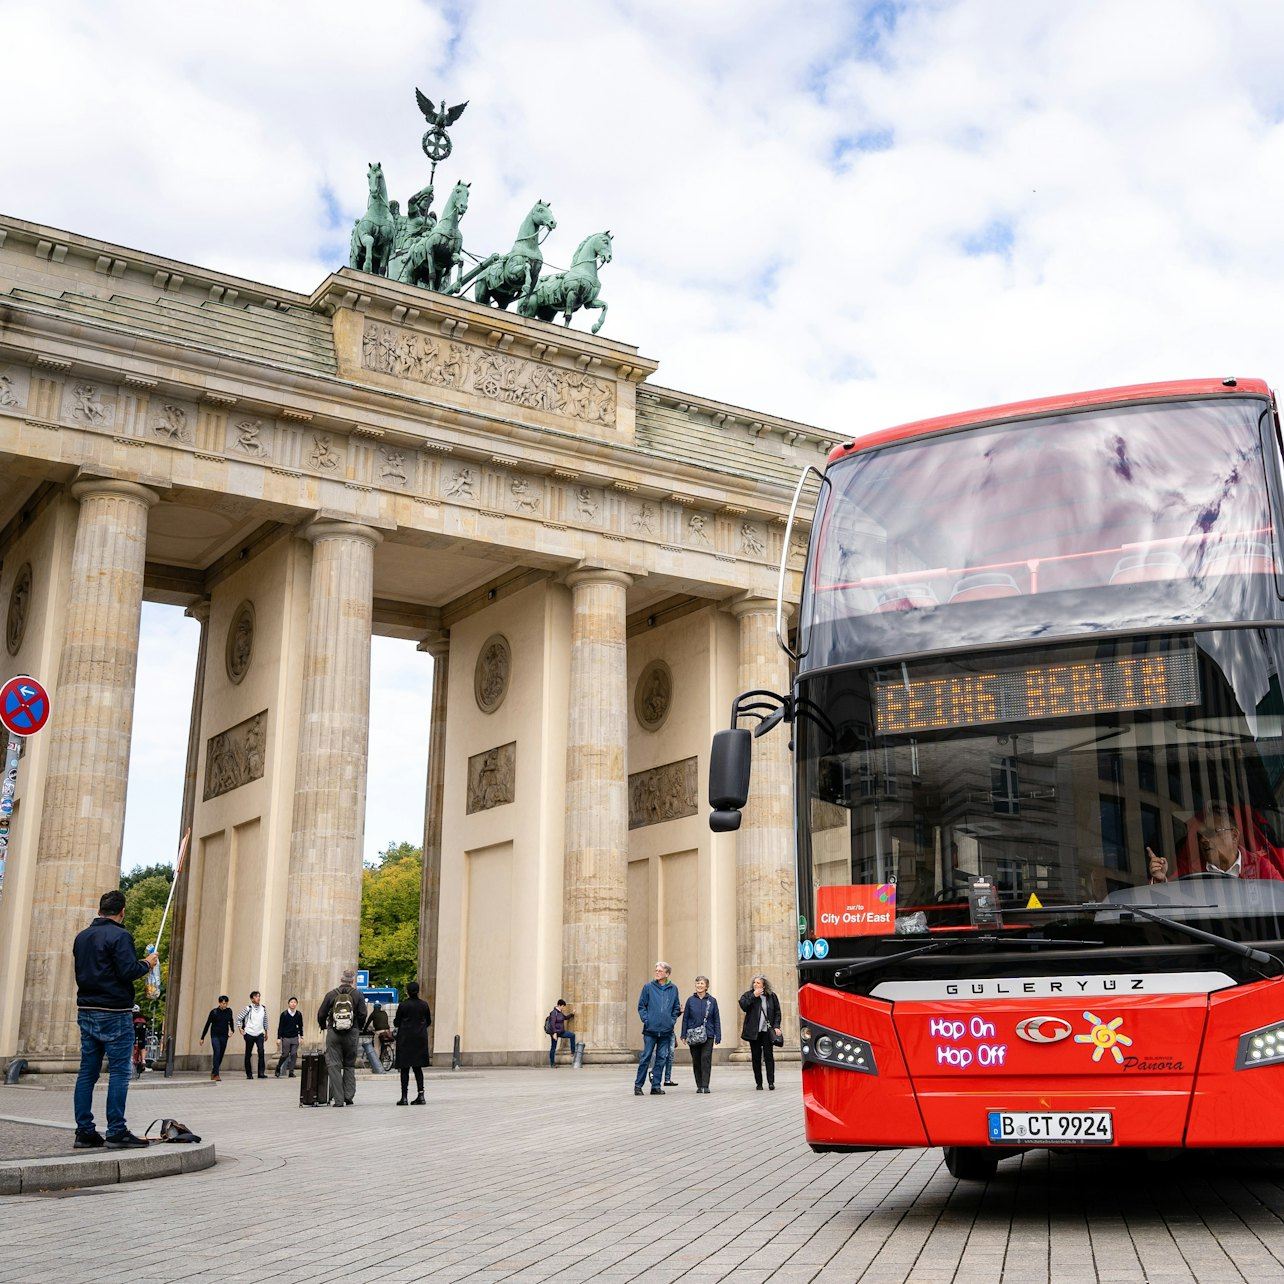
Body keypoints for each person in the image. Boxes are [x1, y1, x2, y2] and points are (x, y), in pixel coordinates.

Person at [71, 889, 158, 1149]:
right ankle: (116, 1130)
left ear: (100, 910)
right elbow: (127, 971)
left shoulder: (82, 937)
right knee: (120, 1072)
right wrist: (147, 963)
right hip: (114, 1013)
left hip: (87, 1009)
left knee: (87, 1072)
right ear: (122, 912)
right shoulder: (121, 936)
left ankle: (84, 1131)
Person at [1149, 802, 1284, 882]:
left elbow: (1279, 898)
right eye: (1201, 835)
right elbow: (1173, 899)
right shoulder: (1189, 869)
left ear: (1234, 835)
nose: (1204, 840)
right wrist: (1161, 880)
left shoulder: (1260, 867)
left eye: (1213, 833)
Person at [317, 968, 368, 1107]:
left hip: (334, 1033)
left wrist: (323, 1025)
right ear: (352, 981)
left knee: (334, 1065)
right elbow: (363, 1014)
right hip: (352, 1033)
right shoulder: (358, 995)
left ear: (341, 979)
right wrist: (358, 1027)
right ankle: (348, 1096)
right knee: (349, 1065)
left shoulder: (331, 994)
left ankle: (338, 1100)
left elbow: (321, 1013)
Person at [634, 961, 681, 1096]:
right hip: (650, 1030)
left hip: (666, 1030)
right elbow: (641, 1006)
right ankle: (638, 1085)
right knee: (646, 1057)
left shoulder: (673, 988)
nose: (657, 973)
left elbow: (676, 1007)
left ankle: (656, 1086)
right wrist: (646, 1020)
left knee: (661, 1058)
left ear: (667, 974)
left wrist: (671, 1021)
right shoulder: (648, 987)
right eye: (656, 970)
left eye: (659, 971)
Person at [740, 974, 782, 1091]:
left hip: (767, 1032)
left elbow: (777, 1012)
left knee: (769, 1057)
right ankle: (759, 1083)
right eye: (754, 982)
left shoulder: (771, 996)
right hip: (754, 1032)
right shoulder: (748, 995)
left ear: (764, 985)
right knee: (756, 1058)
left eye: (758, 983)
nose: (755, 984)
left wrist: (777, 1026)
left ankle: (771, 1082)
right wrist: (753, 996)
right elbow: (743, 1006)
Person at [681, 975, 722, 1094]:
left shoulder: (712, 1001)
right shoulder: (690, 1000)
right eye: (697, 983)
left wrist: (718, 1035)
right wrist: (683, 1034)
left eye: (702, 983)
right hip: (693, 1035)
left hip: (708, 1034)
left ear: (706, 986)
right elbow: (685, 1018)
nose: (699, 985)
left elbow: (716, 1019)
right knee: (696, 1060)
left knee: (706, 1059)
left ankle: (705, 1085)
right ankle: (699, 1085)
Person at [394, 980, 432, 1105]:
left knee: (405, 1069)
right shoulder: (424, 1005)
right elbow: (429, 1021)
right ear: (418, 991)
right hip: (420, 1039)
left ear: (407, 991)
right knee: (418, 1068)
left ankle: (404, 1097)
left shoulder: (403, 1005)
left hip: (405, 1039)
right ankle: (421, 1095)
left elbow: (396, 1022)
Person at [199, 995, 234, 1081]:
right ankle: (216, 1075)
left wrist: (232, 1030)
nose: (224, 1005)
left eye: (226, 1003)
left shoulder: (229, 1011)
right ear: (219, 1003)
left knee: (221, 1055)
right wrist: (202, 1037)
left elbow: (231, 1021)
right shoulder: (214, 1012)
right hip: (215, 1035)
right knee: (217, 1052)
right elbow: (207, 1025)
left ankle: (214, 1071)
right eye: (223, 1003)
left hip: (224, 1036)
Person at [238, 990, 269, 1079]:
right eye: (255, 996)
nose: (258, 998)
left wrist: (266, 1032)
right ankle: (249, 1074)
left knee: (261, 1052)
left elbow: (265, 1021)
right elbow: (239, 1018)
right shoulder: (248, 1008)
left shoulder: (263, 1008)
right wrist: (240, 1029)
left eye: (259, 996)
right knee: (248, 1053)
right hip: (249, 1033)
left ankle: (261, 1073)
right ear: (252, 999)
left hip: (259, 1033)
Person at [275, 996, 303, 1078]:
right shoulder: (284, 1014)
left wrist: (301, 1036)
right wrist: (278, 1038)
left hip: (295, 1037)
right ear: (288, 1004)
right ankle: (278, 1067)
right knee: (285, 1054)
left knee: (294, 1054)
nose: (293, 1004)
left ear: (296, 1004)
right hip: (286, 1037)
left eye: (295, 1002)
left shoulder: (298, 1014)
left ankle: (291, 1072)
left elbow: (301, 1026)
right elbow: (280, 1027)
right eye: (291, 1002)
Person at [547, 999, 577, 1066]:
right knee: (553, 1048)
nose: (564, 1008)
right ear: (560, 1005)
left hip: (561, 1032)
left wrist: (572, 1014)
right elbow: (552, 1023)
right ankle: (552, 1064)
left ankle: (573, 1052)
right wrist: (554, 1033)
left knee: (572, 1035)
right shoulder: (554, 1012)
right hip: (555, 1033)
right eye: (563, 1006)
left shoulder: (560, 1012)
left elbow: (565, 1018)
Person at [131, 1005, 148, 1079]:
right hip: (143, 1029)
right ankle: (143, 1060)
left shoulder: (131, 1016)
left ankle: (131, 1057)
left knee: (132, 1042)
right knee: (142, 1045)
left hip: (134, 1028)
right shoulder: (142, 1017)